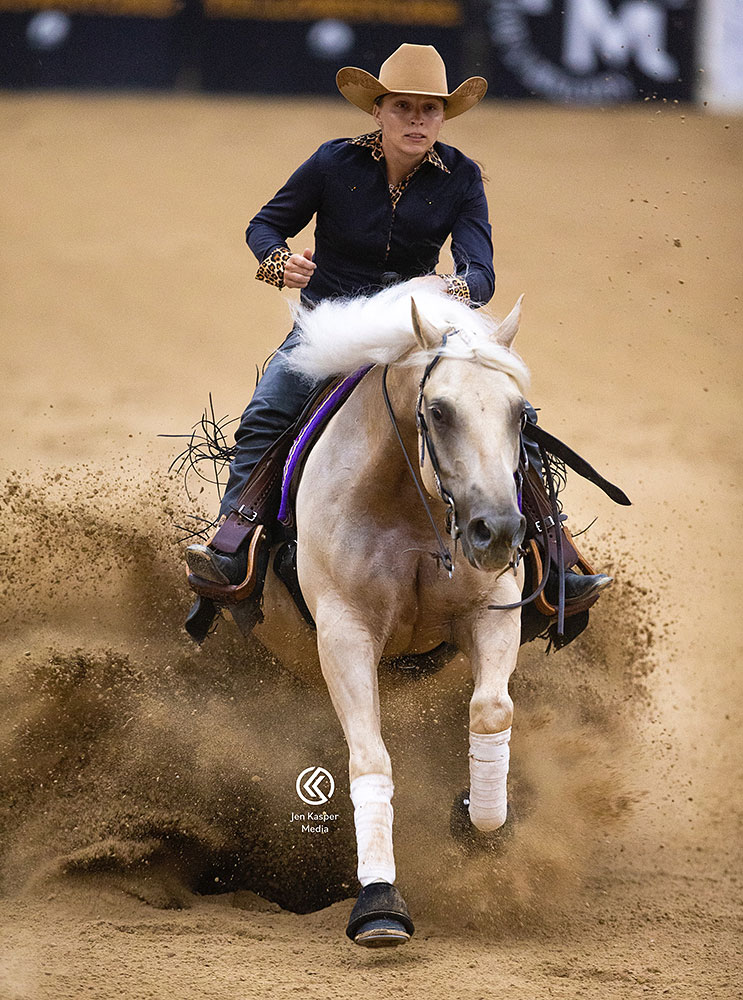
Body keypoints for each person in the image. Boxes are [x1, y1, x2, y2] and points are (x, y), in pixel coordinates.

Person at [185, 43, 610, 610]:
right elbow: (265, 225)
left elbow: (480, 272)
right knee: (270, 407)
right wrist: (276, 262)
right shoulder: (332, 162)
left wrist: (447, 290)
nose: (417, 119)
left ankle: (554, 559)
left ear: (442, 117)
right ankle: (233, 544)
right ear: (378, 112)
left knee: (510, 415)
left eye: (429, 109)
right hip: (331, 328)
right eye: (403, 107)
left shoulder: (461, 177)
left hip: (419, 327)